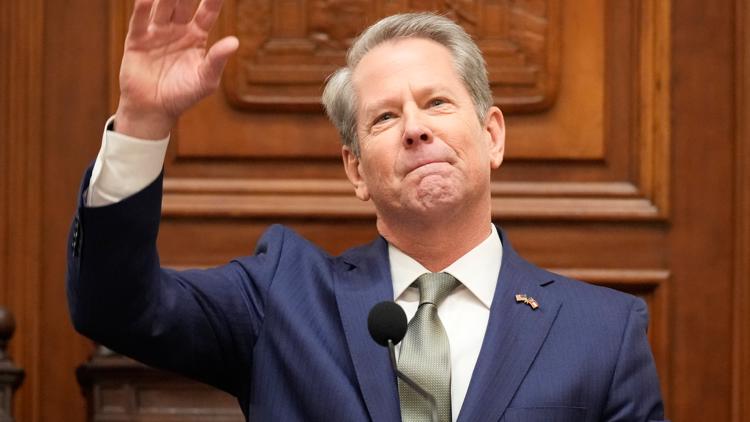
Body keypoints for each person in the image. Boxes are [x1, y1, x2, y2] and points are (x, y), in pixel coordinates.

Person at [67, 0, 669, 421]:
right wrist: (143, 120)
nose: (415, 128)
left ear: (492, 136)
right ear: (356, 170)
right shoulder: (282, 299)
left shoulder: (602, 332)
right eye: (384, 117)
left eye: (437, 103)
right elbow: (115, 308)